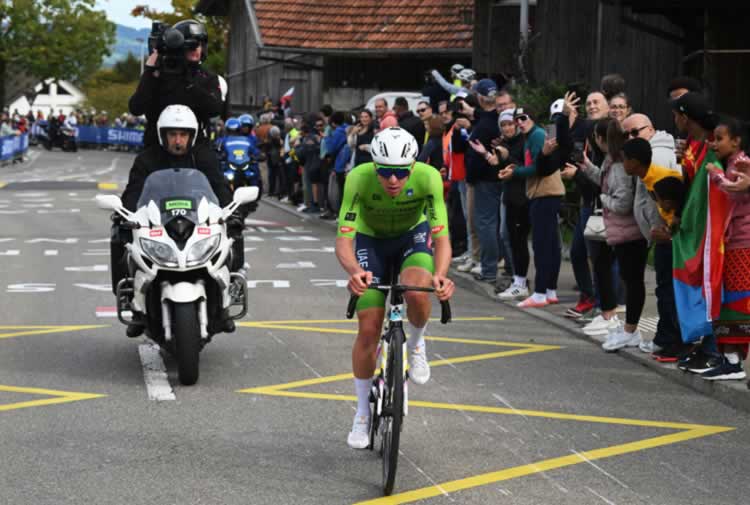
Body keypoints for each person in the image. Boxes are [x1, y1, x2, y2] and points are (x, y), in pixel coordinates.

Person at [335, 127, 455, 449]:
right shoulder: (358, 179)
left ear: (412, 167)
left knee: (417, 290)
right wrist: (354, 271)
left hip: (410, 238)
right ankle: (361, 412)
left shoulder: (428, 178)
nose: (393, 180)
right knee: (369, 326)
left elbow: (441, 237)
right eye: (385, 171)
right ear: (374, 166)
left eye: (401, 173)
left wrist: (441, 275)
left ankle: (415, 344)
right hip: (369, 241)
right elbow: (344, 239)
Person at [112, 105, 237, 336]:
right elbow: (133, 192)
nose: (178, 140)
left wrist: (232, 210)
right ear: (163, 135)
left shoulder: (204, 157)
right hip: (157, 223)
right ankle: (133, 304)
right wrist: (124, 214)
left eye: (183, 135)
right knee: (118, 236)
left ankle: (227, 298)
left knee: (234, 231)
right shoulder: (147, 159)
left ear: (192, 136)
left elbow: (220, 189)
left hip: (199, 222)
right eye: (172, 134)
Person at [564, 118, 650, 351]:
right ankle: (619, 324)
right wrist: (586, 166)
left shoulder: (621, 164)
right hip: (619, 230)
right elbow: (603, 180)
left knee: (632, 282)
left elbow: (622, 201)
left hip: (629, 231)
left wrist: (602, 198)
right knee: (619, 274)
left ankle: (629, 330)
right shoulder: (611, 161)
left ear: (602, 139)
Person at [621, 113, 685, 359]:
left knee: (669, 291)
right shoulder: (648, 177)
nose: (623, 164)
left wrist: (670, 232)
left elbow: (679, 208)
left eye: (625, 160)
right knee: (663, 290)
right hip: (663, 238)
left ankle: (675, 343)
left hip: (672, 242)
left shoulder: (659, 177)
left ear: (635, 162)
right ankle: (666, 338)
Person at [500, 108, 564, 308]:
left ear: (532, 118)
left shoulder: (536, 135)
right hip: (547, 192)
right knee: (550, 245)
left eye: (523, 118)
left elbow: (539, 168)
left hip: (544, 192)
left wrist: (515, 172)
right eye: (516, 119)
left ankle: (539, 293)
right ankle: (550, 291)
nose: (519, 122)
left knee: (542, 245)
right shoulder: (536, 135)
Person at [128, 19, 224, 148]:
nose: (196, 49)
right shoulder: (158, 74)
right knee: (140, 167)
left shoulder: (208, 77)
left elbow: (214, 109)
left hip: (196, 149)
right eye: (190, 45)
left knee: (212, 166)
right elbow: (136, 108)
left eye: (199, 44)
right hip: (156, 149)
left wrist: (188, 82)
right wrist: (150, 71)